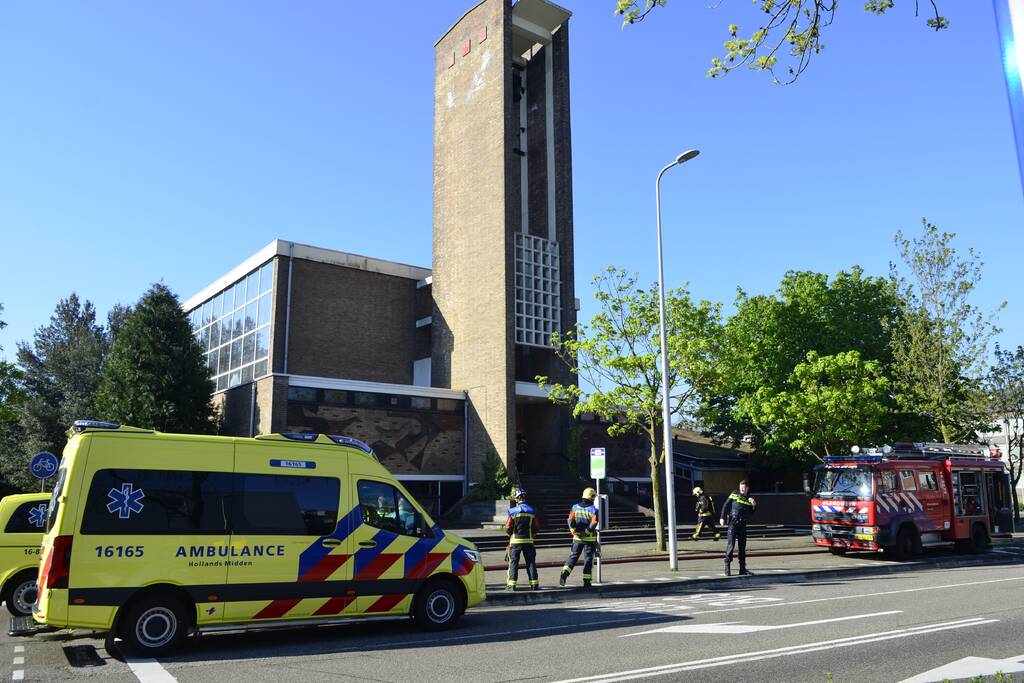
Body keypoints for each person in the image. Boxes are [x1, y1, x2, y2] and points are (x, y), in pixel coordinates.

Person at [559, 487, 600, 588]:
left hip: (576, 539)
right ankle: (586, 581)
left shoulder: (575, 507)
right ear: (592, 497)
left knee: (573, 557)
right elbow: (594, 522)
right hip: (589, 540)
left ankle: (564, 573)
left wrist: (573, 531)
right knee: (588, 560)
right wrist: (586, 532)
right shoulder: (594, 510)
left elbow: (570, 520)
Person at [505, 487, 540, 591]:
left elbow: (507, 527)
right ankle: (534, 585)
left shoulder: (512, 511)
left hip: (515, 541)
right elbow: (536, 526)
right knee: (530, 562)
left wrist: (510, 535)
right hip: (529, 541)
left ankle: (511, 585)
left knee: (513, 563)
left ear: (517, 498)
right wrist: (532, 535)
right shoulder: (532, 511)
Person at [720, 480, 756, 576]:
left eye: (743, 488)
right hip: (733, 523)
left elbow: (751, 513)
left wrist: (754, 505)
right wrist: (722, 517)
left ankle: (742, 569)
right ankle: (727, 566)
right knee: (731, 545)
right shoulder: (734, 494)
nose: (742, 490)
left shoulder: (749, 499)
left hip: (742, 525)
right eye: (741, 488)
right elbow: (726, 505)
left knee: (742, 547)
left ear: (747, 488)